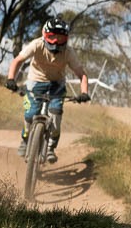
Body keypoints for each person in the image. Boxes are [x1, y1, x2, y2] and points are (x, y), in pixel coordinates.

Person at [5, 17, 90, 164]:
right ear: (45, 35)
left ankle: (50, 147)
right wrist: (11, 79)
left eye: (60, 37)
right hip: (35, 82)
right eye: (52, 37)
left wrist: (84, 92)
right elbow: (17, 60)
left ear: (66, 38)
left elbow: (81, 74)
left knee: (56, 115)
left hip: (57, 85)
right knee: (30, 114)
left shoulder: (68, 52)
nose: (56, 41)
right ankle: (25, 140)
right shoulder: (36, 44)